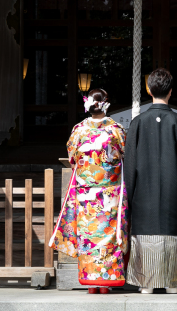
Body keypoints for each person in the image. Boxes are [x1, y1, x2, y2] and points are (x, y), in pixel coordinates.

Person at [124, 68, 177, 294]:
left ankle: (145, 283)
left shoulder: (138, 123)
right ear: (170, 92)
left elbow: (129, 164)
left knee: (145, 235)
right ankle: (172, 283)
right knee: (172, 235)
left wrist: (129, 195)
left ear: (148, 90)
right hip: (173, 192)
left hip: (143, 193)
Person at [49, 88, 129, 294]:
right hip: (109, 194)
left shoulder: (79, 130)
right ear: (107, 104)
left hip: (86, 195)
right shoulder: (116, 130)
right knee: (109, 236)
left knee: (88, 238)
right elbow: (125, 153)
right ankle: (106, 282)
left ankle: (91, 283)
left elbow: (72, 157)